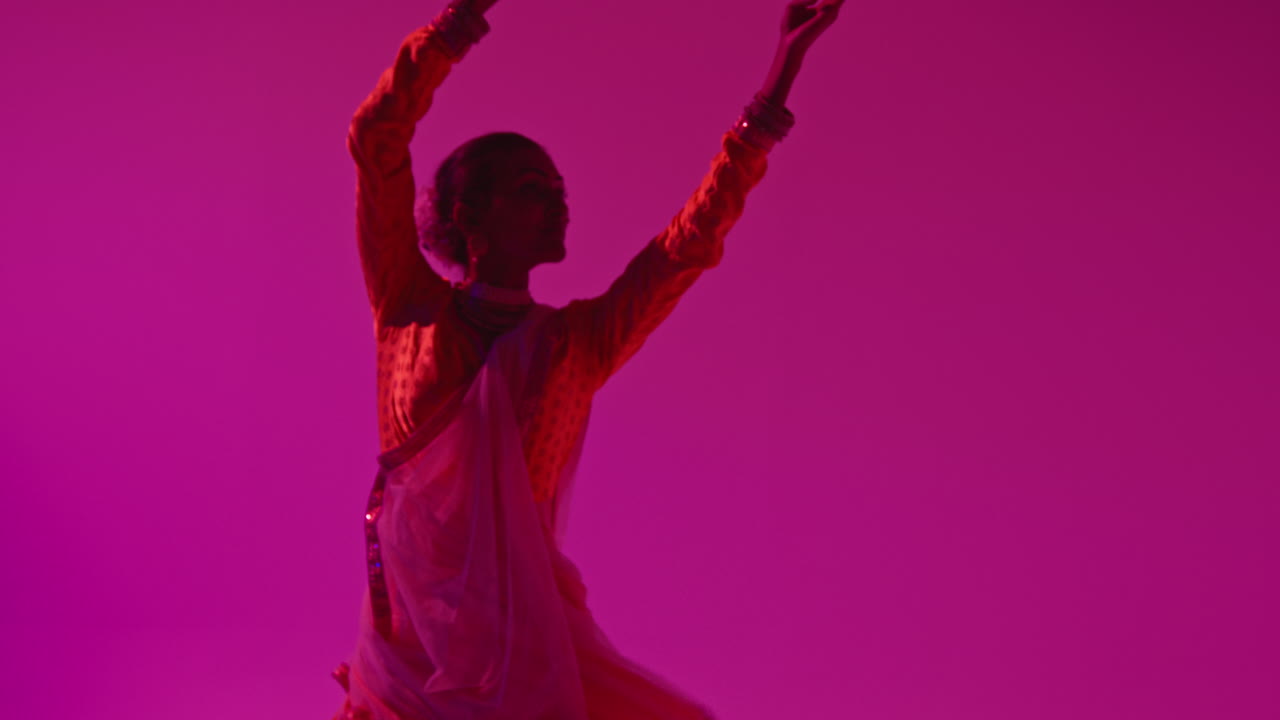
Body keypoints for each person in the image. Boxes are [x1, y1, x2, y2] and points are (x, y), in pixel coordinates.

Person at [332, 1, 845, 717]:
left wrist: (777, 84)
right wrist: (457, 23)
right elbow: (376, 139)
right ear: (466, 216)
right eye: (529, 188)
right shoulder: (410, 311)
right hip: (410, 657)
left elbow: (682, 251)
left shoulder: (574, 345)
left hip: (530, 646)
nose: (557, 202)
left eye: (558, 189)